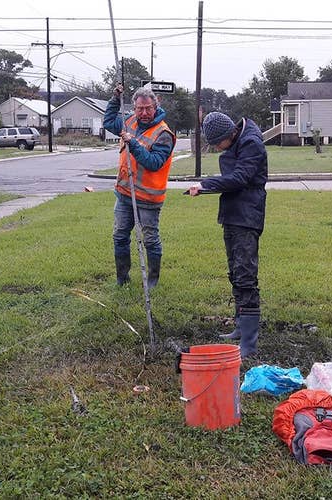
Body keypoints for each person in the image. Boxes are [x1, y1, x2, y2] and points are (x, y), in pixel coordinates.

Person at [189, 112, 268, 358]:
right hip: (233, 214)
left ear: (228, 135)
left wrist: (206, 185)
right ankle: (239, 326)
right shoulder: (239, 139)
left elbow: (241, 178)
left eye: (215, 143)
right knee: (235, 271)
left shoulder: (251, 143)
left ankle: (249, 343)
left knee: (245, 275)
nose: (214, 148)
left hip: (247, 216)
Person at [103, 83, 176, 288]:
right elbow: (108, 121)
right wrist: (115, 99)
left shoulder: (163, 133)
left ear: (156, 106)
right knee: (119, 236)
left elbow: (154, 163)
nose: (143, 113)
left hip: (149, 199)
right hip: (125, 194)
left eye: (148, 108)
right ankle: (122, 280)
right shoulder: (129, 122)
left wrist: (132, 143)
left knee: (150, 240)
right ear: (134, 108)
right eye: (139, 109)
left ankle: (152, 282)